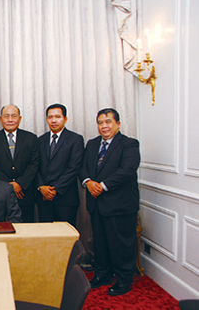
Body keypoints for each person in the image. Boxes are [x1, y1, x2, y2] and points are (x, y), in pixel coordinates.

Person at [79, 108, 140, 296]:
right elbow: (83, 167)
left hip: (120, 205)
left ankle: (124, 280)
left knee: (121, 245)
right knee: (100, 243)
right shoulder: (92, 144)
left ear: (118, 124)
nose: (104, 126)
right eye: (100, 122)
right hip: (97, 205)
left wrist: (102, 186)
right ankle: (102, 274)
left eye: (108, 122)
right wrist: (88, 182)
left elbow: (128, 169)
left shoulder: (129, 144)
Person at [0, 105, 39, 222]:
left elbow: (34, 164)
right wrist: (10, 186)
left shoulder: (31, 138)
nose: (10, 119)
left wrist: (20, 184)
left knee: (25, 232)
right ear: (0, 119)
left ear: (20, 118)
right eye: (6, 116)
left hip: (25, 194)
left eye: (14, 116)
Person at [36, 104, 84, 226]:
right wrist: (42, 187)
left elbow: (74, 168)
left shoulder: (76, 139)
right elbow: (35, 166)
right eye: (50, 117)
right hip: (44, 199)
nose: (54, 120)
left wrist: (55, 189)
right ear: (46, 119)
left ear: (65, 119)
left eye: (58, 116)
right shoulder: (40, 140)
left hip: (66, 199)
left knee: (66, 238)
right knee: (46, 236)